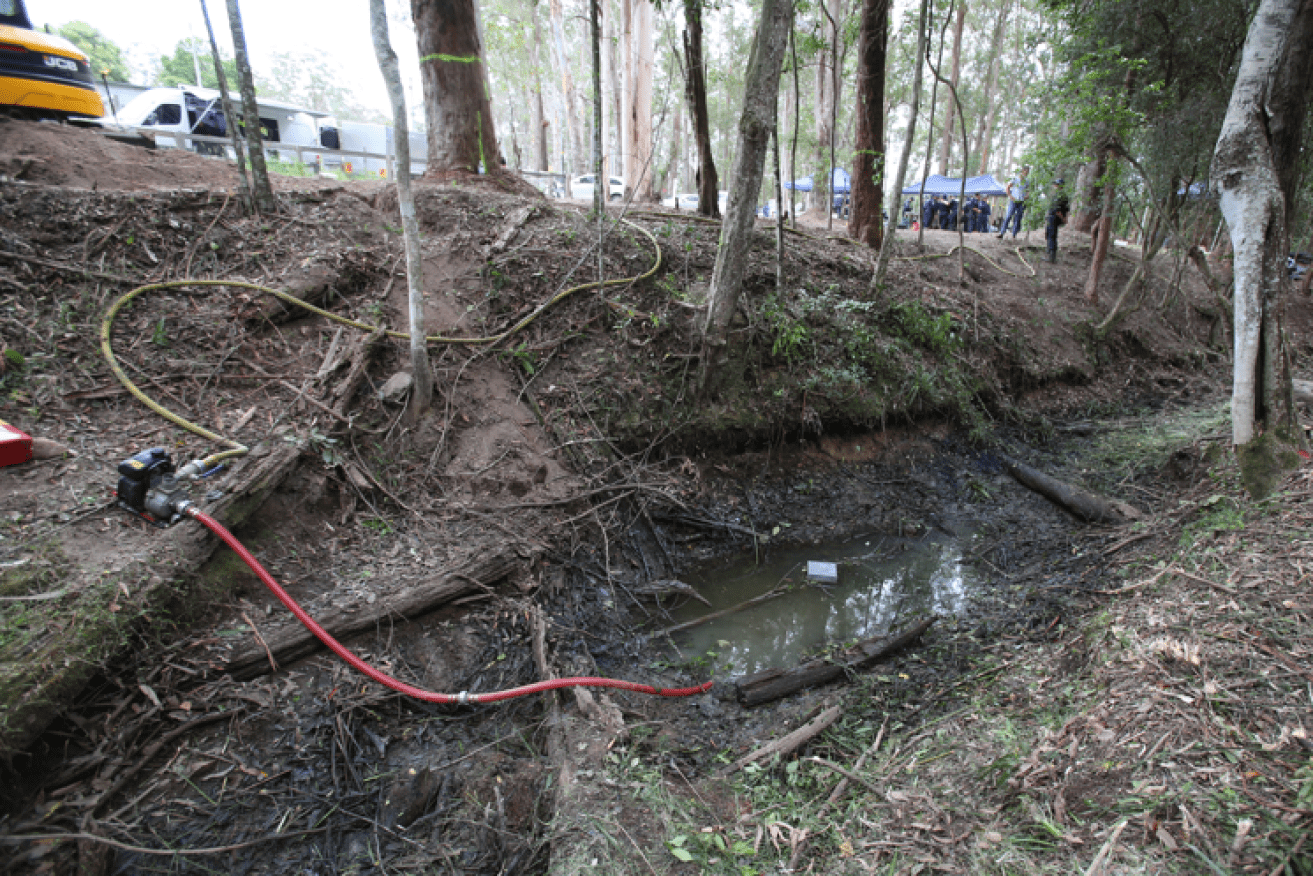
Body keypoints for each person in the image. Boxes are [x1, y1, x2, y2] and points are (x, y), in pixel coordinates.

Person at [997, 165, 1029, 239]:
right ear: (1022, 171)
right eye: (1025, 171)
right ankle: (1002, 232)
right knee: (1009, 215)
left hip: (1021, 201)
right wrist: (1010, 196)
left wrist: (1027, 196)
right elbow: (1007, 187)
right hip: (1014, 200)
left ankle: (1014, 234)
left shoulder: (1027, 181)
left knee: (1018, 217)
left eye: (1027, 172)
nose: (1026, 173)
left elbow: (1028, 190)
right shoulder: (1015, 179)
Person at [1045, 178, 1070, 262]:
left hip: (1055, 218)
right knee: (1050, 235)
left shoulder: (1061, 196)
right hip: (1053, 217)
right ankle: (1050, 253)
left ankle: (1052, 257)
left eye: (1056, 184)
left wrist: (1063, 218)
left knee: (1052, 236)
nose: (1054, 186)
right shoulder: (1058, 195)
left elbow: (1060, 210)